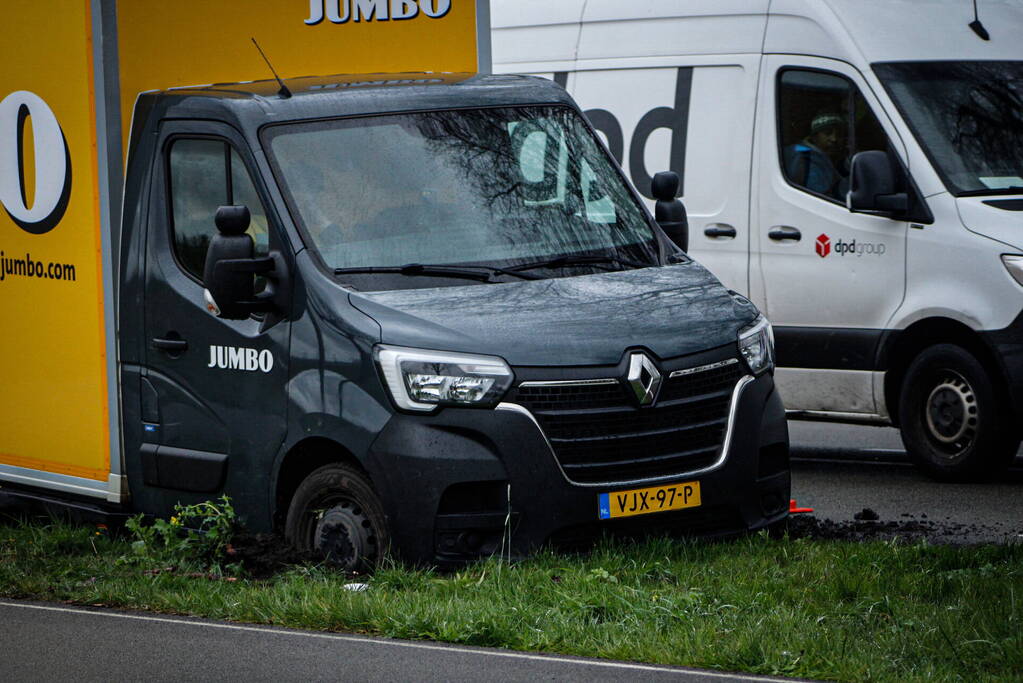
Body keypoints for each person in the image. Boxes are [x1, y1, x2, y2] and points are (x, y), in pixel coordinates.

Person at [784, 112, 848, 199]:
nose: (834, 139)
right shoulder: (805, 158)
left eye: (839, 135)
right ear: (815, 136)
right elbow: (823, 196)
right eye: (827, 133)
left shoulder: (823, 155)